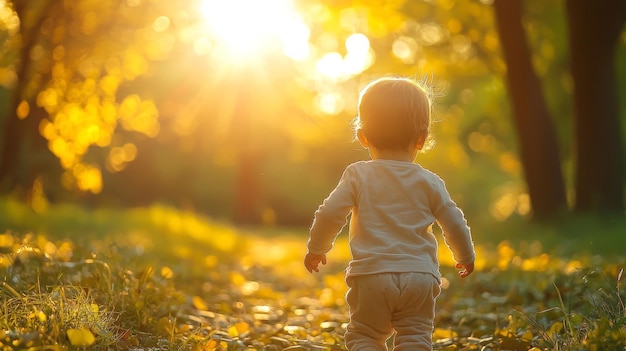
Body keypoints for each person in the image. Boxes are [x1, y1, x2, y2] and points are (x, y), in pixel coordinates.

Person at [304, 76, 476, 351]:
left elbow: (330, 212)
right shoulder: (430, 181)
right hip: (420, 277)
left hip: (372, 275)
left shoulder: (358, 175)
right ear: (422, 138)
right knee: (416, 337)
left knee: (365, 337)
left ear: (363, 136)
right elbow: (454, 221)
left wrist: (317, 247)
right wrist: (465, 256)